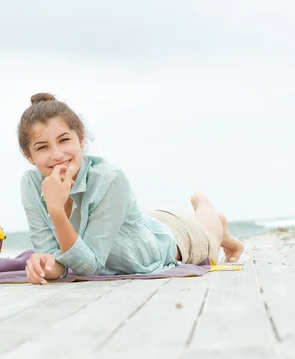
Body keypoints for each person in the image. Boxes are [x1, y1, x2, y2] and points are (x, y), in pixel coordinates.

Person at [17, 93, 245, 285]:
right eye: (42, 147)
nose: (57, 154)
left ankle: (209, 212)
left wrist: (57, 211)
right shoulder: (30, 184)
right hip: (136, 225)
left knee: (209, 240)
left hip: (173, 239)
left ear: (81, 139)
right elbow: (55, 258)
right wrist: (44, 264)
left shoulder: (109, 179)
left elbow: (88, 267)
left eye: (64, 140)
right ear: (29, 156)